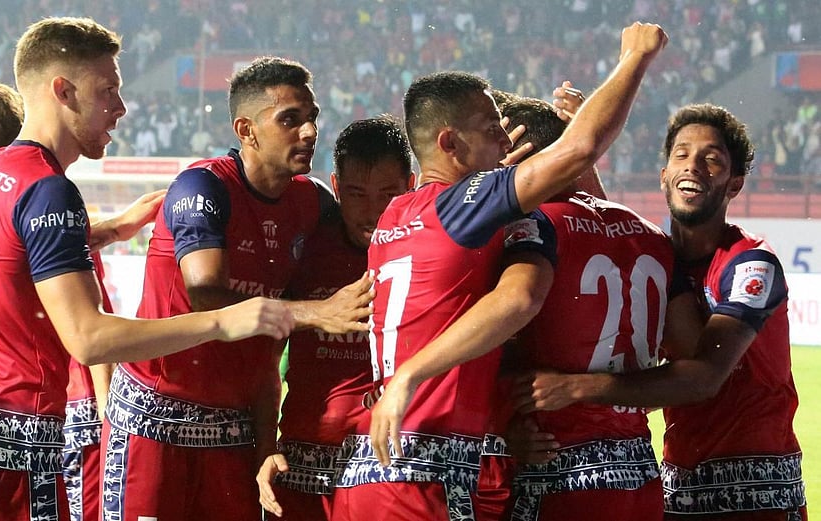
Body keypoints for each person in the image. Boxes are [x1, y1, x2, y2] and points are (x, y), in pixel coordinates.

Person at [0, 18, 294, 521]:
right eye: (108, 90)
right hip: (16, 435)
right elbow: (89, 338)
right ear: (63, 90)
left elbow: (12, 254)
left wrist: (111, 229)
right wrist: (222, 321)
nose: (121, 108)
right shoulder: (48, 189)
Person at [331, 22, 668, 521]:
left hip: (370, 469)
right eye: (491, 130)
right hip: (427, 480)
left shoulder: (396, 213)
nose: (502, 141)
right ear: (450, 142)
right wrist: (635, 57)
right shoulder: (470, 207)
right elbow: (576, 154)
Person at [102, 56, 373, 521]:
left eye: (312, 118)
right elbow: (205, 293)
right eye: (290, 120)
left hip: (237, 429)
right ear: (246, 131)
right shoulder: (202, 187)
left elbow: (363, 245)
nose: (309, 132)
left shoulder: (311, 203)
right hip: (155, 420)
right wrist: (313, 312)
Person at [522, 103, 807, 519]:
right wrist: (583, 141)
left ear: (735, 184)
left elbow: (704, 376)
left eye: (712, 160)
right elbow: (617, 242)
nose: (693, 166)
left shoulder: (750, 263)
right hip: (678, 486)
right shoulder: (660, 257)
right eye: (681, 155)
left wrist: (575, 387)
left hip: (755, 493)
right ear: (664, 176)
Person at [485, 94, 687, 521]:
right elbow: (689, 354)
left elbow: (496, 321)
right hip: (640, 478)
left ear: (517, 155)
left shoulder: (532, 227)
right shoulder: (651, 234)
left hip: (559, 474)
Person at [257, 115, 415, 520]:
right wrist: (265, 445)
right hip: (299, 460)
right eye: (357, 194)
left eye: (389, 193)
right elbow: (265, 355)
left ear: (411, 186)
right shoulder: (305, 245)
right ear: (336, 186)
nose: (373, 211)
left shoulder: (428, 250)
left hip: (386, 461)